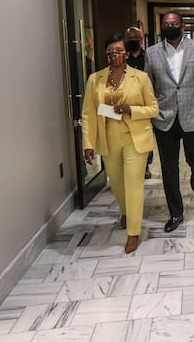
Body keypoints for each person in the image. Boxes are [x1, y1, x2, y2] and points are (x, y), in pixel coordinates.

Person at [81, 33, 159, 254]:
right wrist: (88, 143)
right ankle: (126, 211)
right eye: (110, 52)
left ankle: (133, 232)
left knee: (134, 185)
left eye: (118, 51)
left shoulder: (140, 77)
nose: (114, 55)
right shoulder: (95, 79)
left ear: (126, 54)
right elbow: (88, 114)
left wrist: (130, 110)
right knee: (117, 183)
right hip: (108, 139)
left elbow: (153, 108)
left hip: (135, 138)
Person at [144, 11, 194, 233]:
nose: (170, 26)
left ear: (181, 25)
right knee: (169, 169)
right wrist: (150, 112)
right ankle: (176, 213)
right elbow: (147, 87)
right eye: (166, 24)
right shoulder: (151, 53)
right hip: (164, 118)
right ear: (161, 26)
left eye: (174, 23)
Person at [124, 24, 153, 179]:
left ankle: (146, 165)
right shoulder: (122, 57)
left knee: (144, 135)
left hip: (144, 103)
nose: (133, 41)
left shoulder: (148, 57)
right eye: (130, 38)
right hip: (125, 102)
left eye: (136, 38)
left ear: (142, 40)